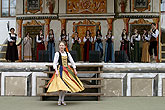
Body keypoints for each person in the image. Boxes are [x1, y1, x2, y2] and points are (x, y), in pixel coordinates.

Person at [46, 41, 84, 106]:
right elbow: (54, 63)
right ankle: (59, 99)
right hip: (60, 70)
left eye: (62, 45)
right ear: (59, 46)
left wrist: (74, 69)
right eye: (60, 45)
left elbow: (72, 61)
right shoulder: (57, 53)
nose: (61, 47)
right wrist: (56, 71)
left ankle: (62, 100)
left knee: (65, 87)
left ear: (65, 46)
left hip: (67, 70)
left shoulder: (67, 53)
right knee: (61, 86)